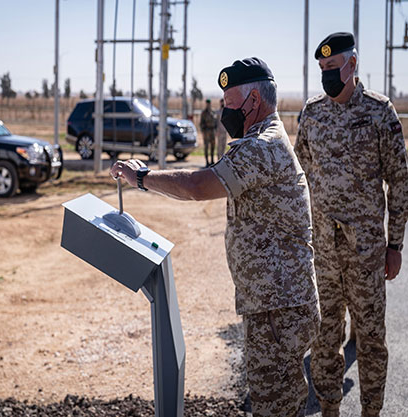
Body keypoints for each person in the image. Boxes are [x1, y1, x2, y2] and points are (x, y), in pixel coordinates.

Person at [111, 57, 320, 417]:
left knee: (276, 408)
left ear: (253, 101)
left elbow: (197, 186)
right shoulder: (260, 140)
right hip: (276, 303)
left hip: (279, 308)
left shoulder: (262, 146)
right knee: (279, 403)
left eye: (229, 103)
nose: (225, 111)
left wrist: (141, 177)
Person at [295, 32, 408, 417]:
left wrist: (395, 246)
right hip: (324, 252)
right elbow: (301, 175)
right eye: (322, 69)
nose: (327, 75)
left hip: (367, 252)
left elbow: (399, 180)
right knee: (325, 337)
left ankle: (371, 411)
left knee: (372, 338)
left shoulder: (380, 112)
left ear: (352, 65)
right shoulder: (312, 113)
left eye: (333, 67)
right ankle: (329, 408)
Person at [200, 98, 217, 167]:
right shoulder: (204, 113)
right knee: (206, 146)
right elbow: (201, 123)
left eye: (209, 103)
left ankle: (212, 160)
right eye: (207, 103)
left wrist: (215, 129)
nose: (208, 105)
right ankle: (207, 161)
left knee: (213, 146)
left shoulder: (213, 111)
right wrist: (203, 130)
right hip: (206, 131)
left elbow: (215, 121)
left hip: (212, 130)